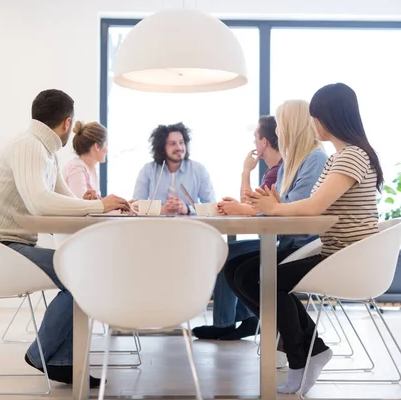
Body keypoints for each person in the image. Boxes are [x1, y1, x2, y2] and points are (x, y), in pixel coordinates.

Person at [0, 89, 130, 387]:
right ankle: (44, 355)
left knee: (81, 270)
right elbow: (40, 202)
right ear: (67, 123)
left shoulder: (43, 151)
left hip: (3, 247)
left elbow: (63, 199)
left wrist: (95, 204)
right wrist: (99, 205)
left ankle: (62, 360)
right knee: (80, 273)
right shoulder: (29, 147)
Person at [227, 83, 383, 395]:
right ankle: (311, 350)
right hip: (335, 251)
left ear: (326, 118)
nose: (312, 123)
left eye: (314, 117)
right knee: (248, 274)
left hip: (346, 257)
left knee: (265, 279)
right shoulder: (343, 155)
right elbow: (312, 206)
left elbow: (313, 207)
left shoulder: (350, 156)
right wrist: (276, 206)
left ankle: (302, 356)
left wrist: (275, 207)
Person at [192, 103, 328, 341]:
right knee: (236, 267)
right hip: (288, 242)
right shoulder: (291, 162)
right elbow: (276, 203)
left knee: (244, 271)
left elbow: (293, 205)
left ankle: (296, 339)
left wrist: (266, 205)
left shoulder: (314, 159)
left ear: (291, 127)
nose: (278, 133)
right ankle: (291, 335)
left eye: (281, 126)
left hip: (305, 245)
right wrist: (268, 205)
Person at [132, 122, 215, 214]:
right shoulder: (148, 170)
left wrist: (187, 209)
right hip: (156, 225)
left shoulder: (199, 169)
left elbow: (211, 206)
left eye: (181, 142)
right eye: (173, 144)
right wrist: (161, 210)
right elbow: (135, 206)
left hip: (190, 226)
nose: (179, 147)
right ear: (162, 147)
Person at [63, 121, 108, 199]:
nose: (107, 150)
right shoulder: (76, 167)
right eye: (106, 144)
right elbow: (80, 206)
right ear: (97, 146)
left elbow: (96, 202)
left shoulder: (92, 169)